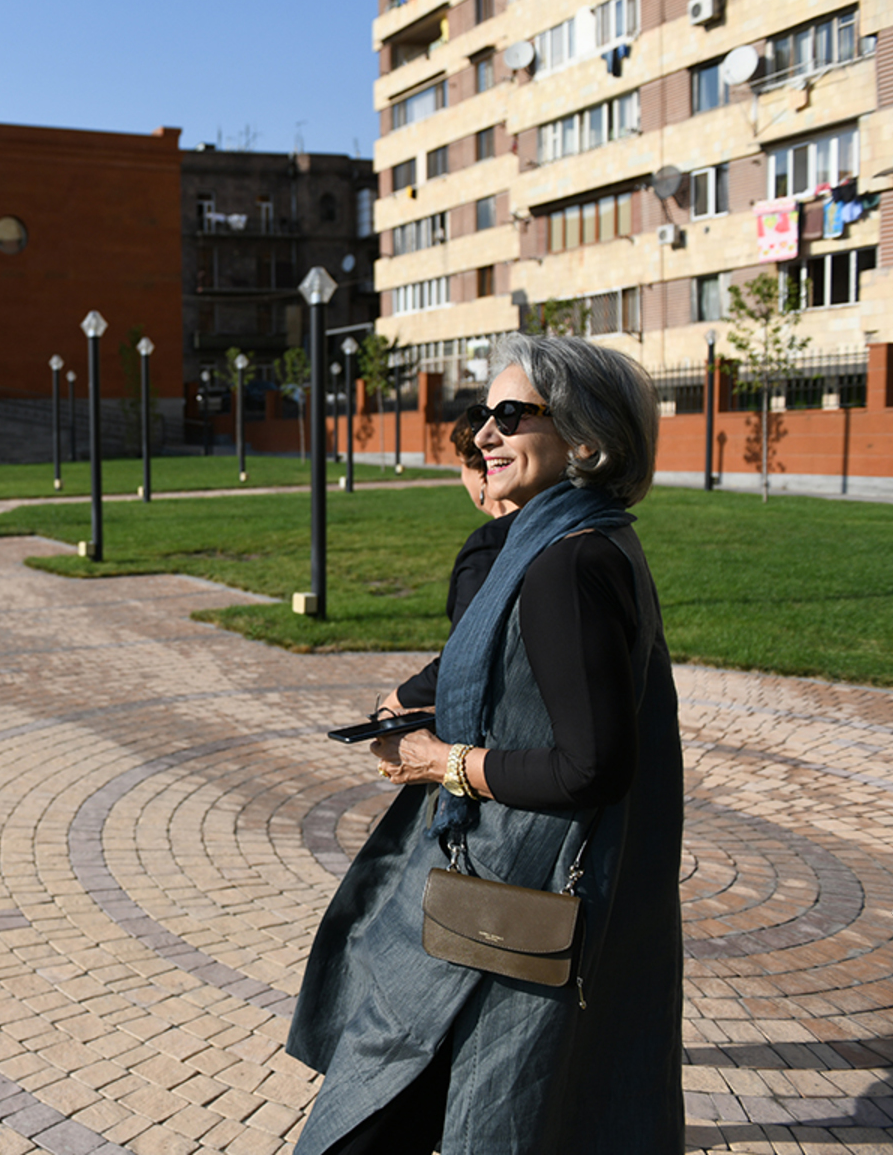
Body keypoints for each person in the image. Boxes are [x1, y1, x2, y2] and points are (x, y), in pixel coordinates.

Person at [285, 334, 684, 1154]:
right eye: (482, 413)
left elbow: (593, 766)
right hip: (502, 891)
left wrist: (441, 763)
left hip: (502, 898)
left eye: (511, 414)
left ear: (585, 440)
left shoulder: (566, 566)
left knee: (378, 1102)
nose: (486, 434)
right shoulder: (577, 541)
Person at [384, 412, 520, 714]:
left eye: (461, 464)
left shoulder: (489, 548)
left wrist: (396, 701)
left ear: (483, 470)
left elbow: (464, 659)